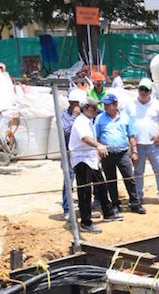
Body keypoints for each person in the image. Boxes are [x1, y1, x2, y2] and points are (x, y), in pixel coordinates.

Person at [67, 94, 110, 234]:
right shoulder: (80, 122)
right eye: (93, 108)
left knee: (101, 185)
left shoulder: (88, 121)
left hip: (90, 158)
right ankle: (86, 222)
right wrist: (99, 146)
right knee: (85, 191)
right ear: (86, 108)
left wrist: (97, 153)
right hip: (81, 159)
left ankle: (108, 212)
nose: (96, 110)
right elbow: (85, 138)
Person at [95, 93, 142, 216]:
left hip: (122, 153)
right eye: (104, 104)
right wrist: (99, 151)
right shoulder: (100, 119)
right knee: (111, 180)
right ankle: (115, 204)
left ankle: (135, 203)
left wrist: (135, 151)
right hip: (107, 154)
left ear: (115, 104)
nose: (105, 107)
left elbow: (131, 135)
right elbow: (96, 137)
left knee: (129, 178)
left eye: (108, 104)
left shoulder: (125, 118)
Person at [129, 78, 159, 206]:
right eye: (141, 89)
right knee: (138, 171)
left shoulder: (156, 104)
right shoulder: (131, 105)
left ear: (150, 91)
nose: (143, 92)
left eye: (146, 90)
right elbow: (125, 122)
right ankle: (138, 195)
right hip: (138, 144)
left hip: (153, 144)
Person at [59, 89, 83, 215]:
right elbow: (66, 130)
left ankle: (85, 206)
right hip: (69, 152)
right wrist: (74, 116)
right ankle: (68, 209)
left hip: (83, 152)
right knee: (69, 180)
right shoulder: (63, 115)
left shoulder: (85, 114)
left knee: (85, 180)